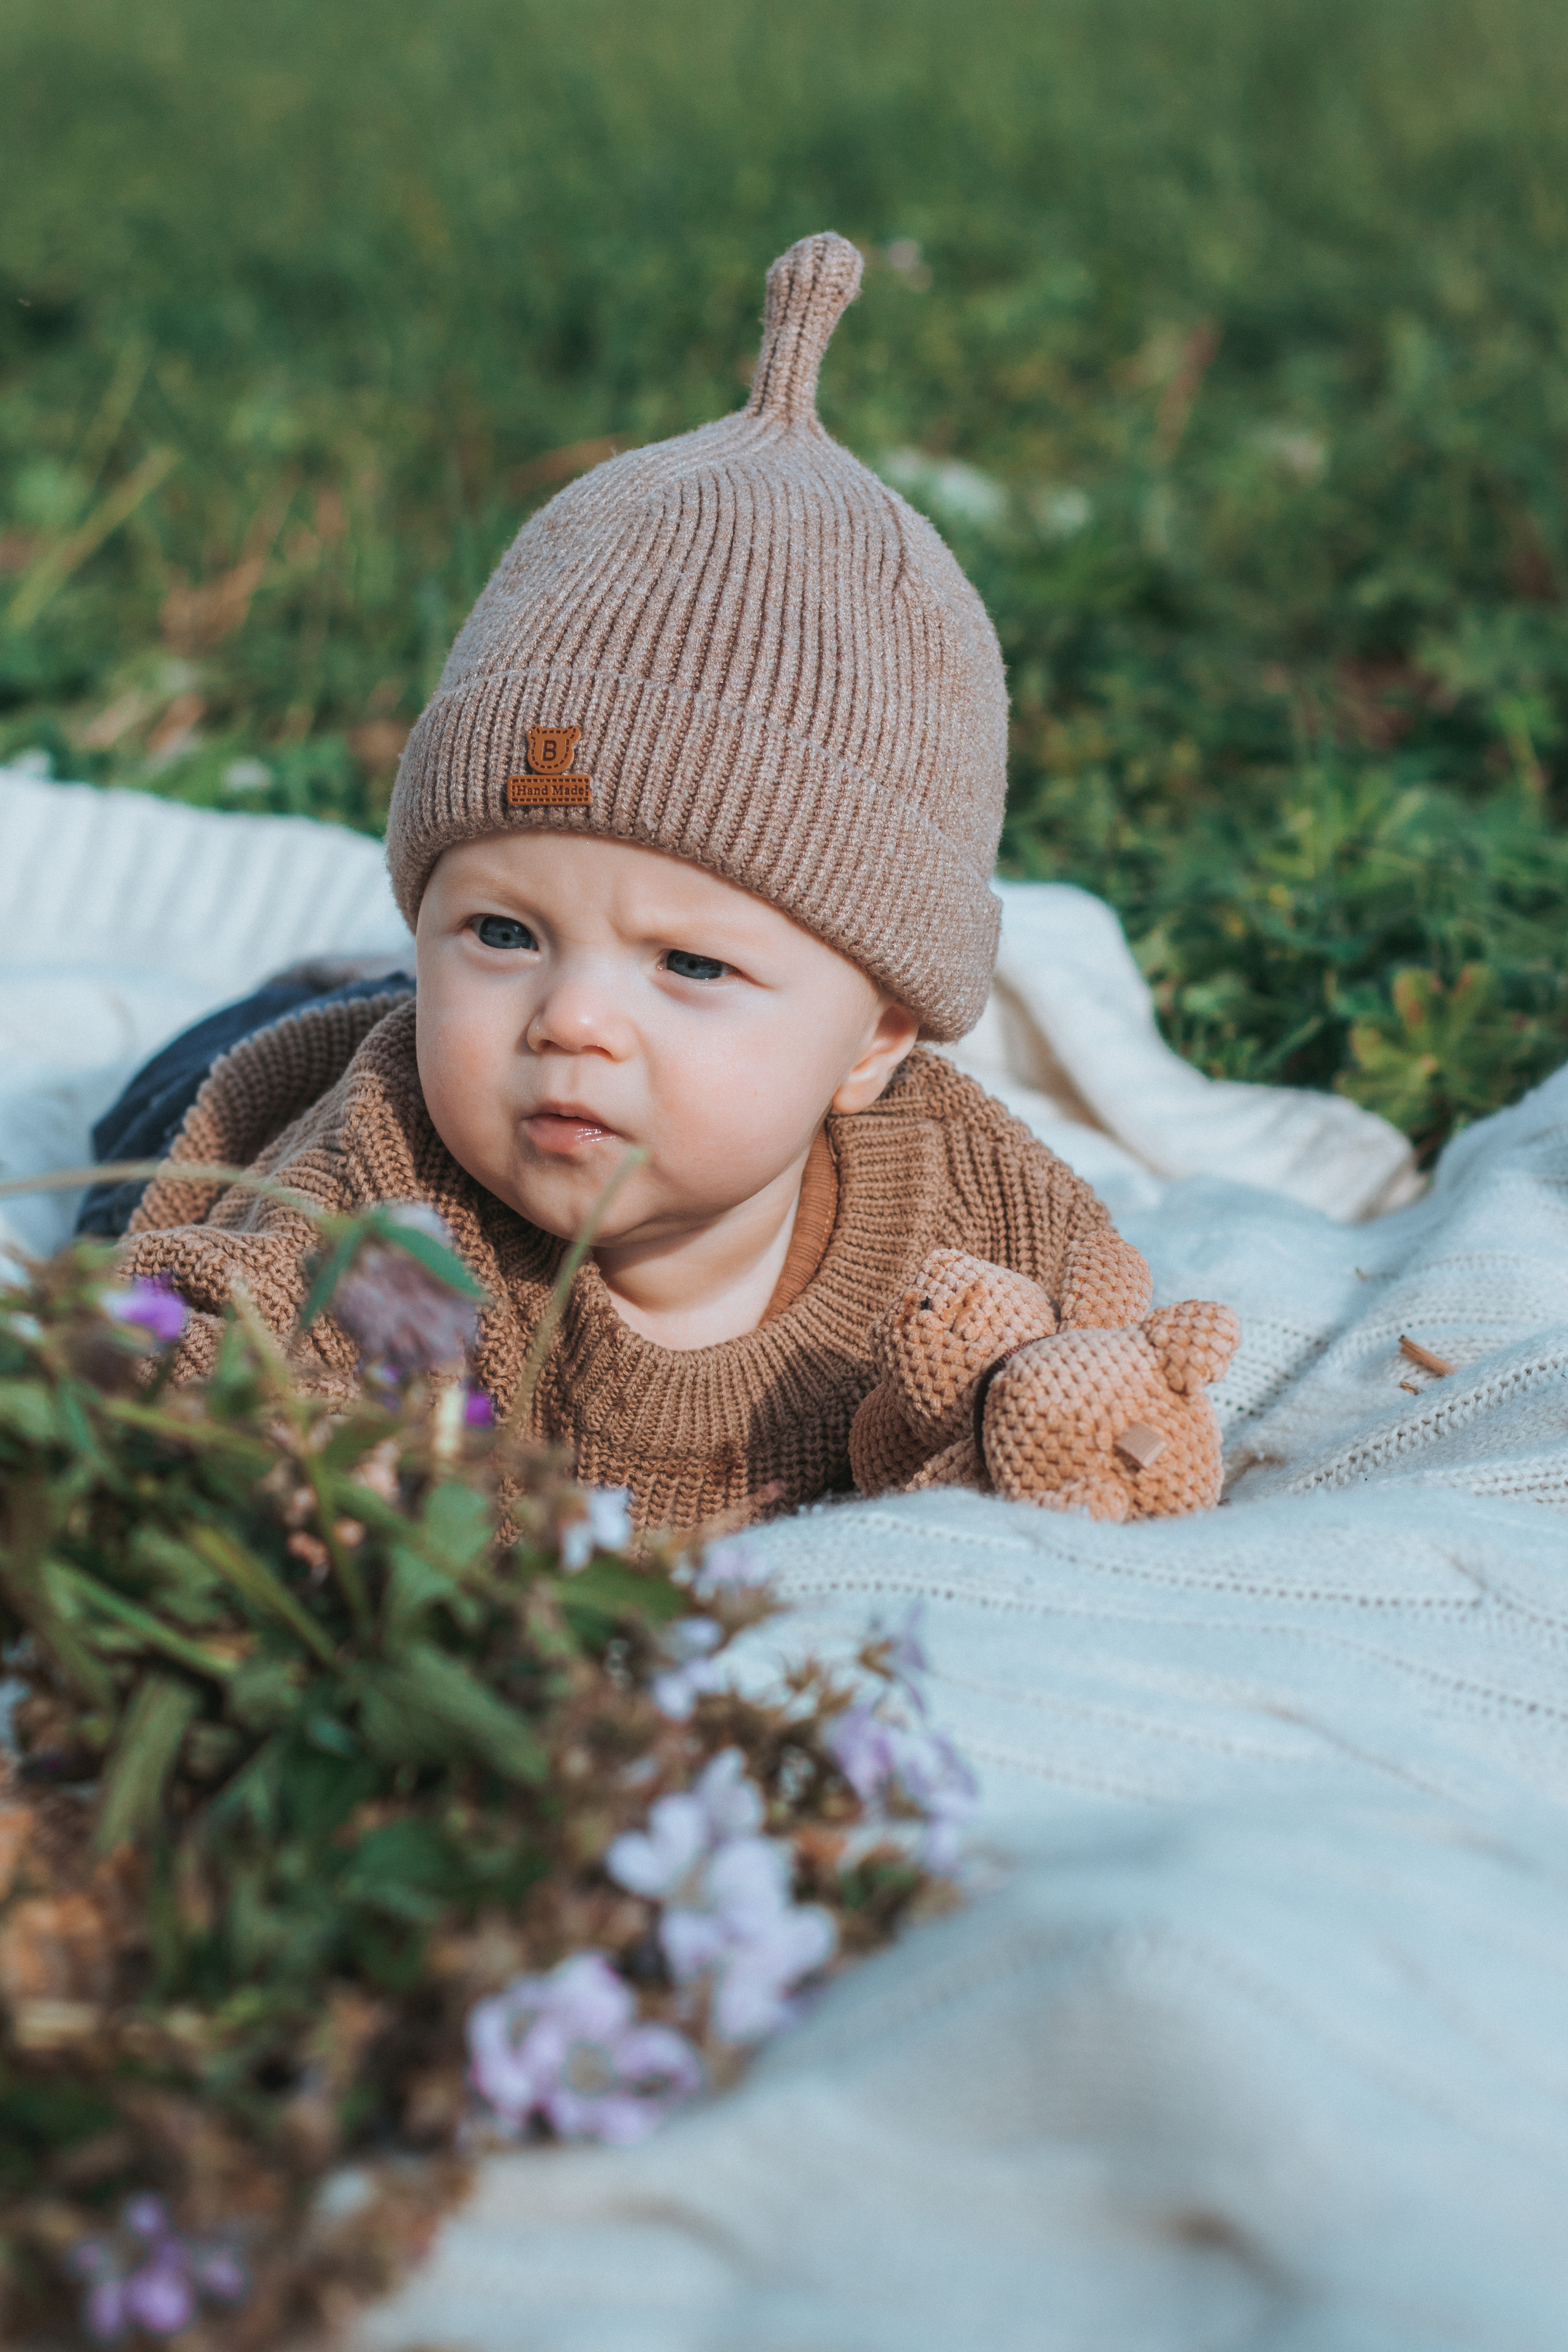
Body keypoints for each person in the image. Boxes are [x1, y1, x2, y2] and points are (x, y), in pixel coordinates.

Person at [113, 232, 1152, 1534]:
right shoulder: (396, 1200)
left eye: (691, 965)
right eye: (500, 928)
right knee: (252, 1078)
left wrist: (1084, 1423)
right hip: (237, 1084)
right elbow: (211, 1345)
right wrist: (305, 1464)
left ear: (876, 1034)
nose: (573, 1020)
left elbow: (1101, 1334)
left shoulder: (952, 1204)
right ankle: (348, 993)